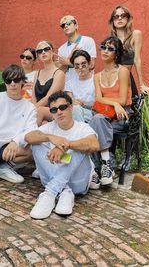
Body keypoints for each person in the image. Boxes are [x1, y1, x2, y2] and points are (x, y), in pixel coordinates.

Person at [25, 90, 99, 220]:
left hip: (77, 182)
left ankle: (50, 193)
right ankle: (64, 191)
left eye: (62, 107)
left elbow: (94, 145)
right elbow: (28, 137)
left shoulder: (82, 128)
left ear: (70, 107)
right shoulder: (50, 128)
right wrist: (50, 137)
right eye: (54, 110)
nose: (59, 112)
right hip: (52, 178)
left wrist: (67, 145)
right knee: (37, 143)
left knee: (79, 147)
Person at [88, 36, 132, 189]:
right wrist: (113, 103)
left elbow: (122, 99)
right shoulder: (97, 76)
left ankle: (97, 169)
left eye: (110, 48)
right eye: (103, 47)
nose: (105, 51)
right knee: (96, 120)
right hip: (103, 114)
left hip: (120, 116)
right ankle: (106, 165)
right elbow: (99, 98)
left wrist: (116, 103)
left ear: (117, 53)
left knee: (94, 124)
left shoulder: (123, 71)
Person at [109, 5, 149, 95]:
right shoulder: (110, 40)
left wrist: (141, 84)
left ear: (128, 18)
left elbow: (137, 59)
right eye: (116, 16)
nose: (119, 18)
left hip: (127, 79)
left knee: (132, 106)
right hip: (112, 80)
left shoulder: (135, 34)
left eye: (123, 16)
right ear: (112, 21)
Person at [32, 40, 65, 126]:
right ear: (38, 56)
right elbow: (33, 96)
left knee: (40, 111)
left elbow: (48, 98)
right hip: (38, 111)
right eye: (39, 51)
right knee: (44, 123)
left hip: (54, 109)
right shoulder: (37, 73)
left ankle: (22, 136)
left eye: (46, 49)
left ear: (52, 52)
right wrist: (32, 108)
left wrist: (31, 110)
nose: (43, 52)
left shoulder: (59, 73)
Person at [58, 15, 96, 83]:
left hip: (87, 85)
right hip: (69, 87)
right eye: (63, 25)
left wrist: (68, 62)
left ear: (76, 25)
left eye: (68, 23)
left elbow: (92, 65)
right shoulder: (61, 49)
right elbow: (60, 72)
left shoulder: (88, 41)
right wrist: (70, 58)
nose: (66, 26)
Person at [65, 50, 95, 122]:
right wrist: (72, 101)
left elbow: (99, 101)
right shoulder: (69, 83)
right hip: (74, 113)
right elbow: (69, 100)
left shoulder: (96, 80)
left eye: (83, 64)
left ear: (89, 63)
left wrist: (84, 103)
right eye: (77, 66)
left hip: (91, 113)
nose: (80, 67)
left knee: (76, 108)